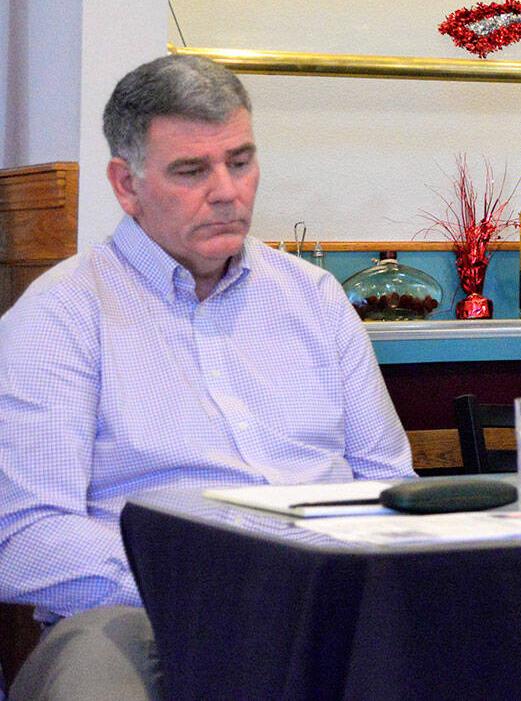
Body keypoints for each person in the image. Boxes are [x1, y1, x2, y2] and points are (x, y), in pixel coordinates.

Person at [0, 54, 413, 701]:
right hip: (145, 615)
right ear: (126, 184)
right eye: (192, 170)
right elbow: (27, 539)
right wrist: (217, 589)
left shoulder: (314, 297)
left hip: (333, 605)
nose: (227, 190)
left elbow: (390, 485)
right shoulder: (62, 316)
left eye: (240, 161)